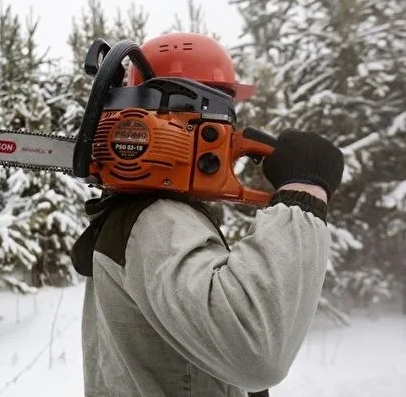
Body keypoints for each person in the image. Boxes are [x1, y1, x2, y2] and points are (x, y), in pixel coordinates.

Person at [71, 33, 345, 397]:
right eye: (227, 107)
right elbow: (256, 349)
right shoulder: (158, 221)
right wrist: (304, 194)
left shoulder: (147, 217)